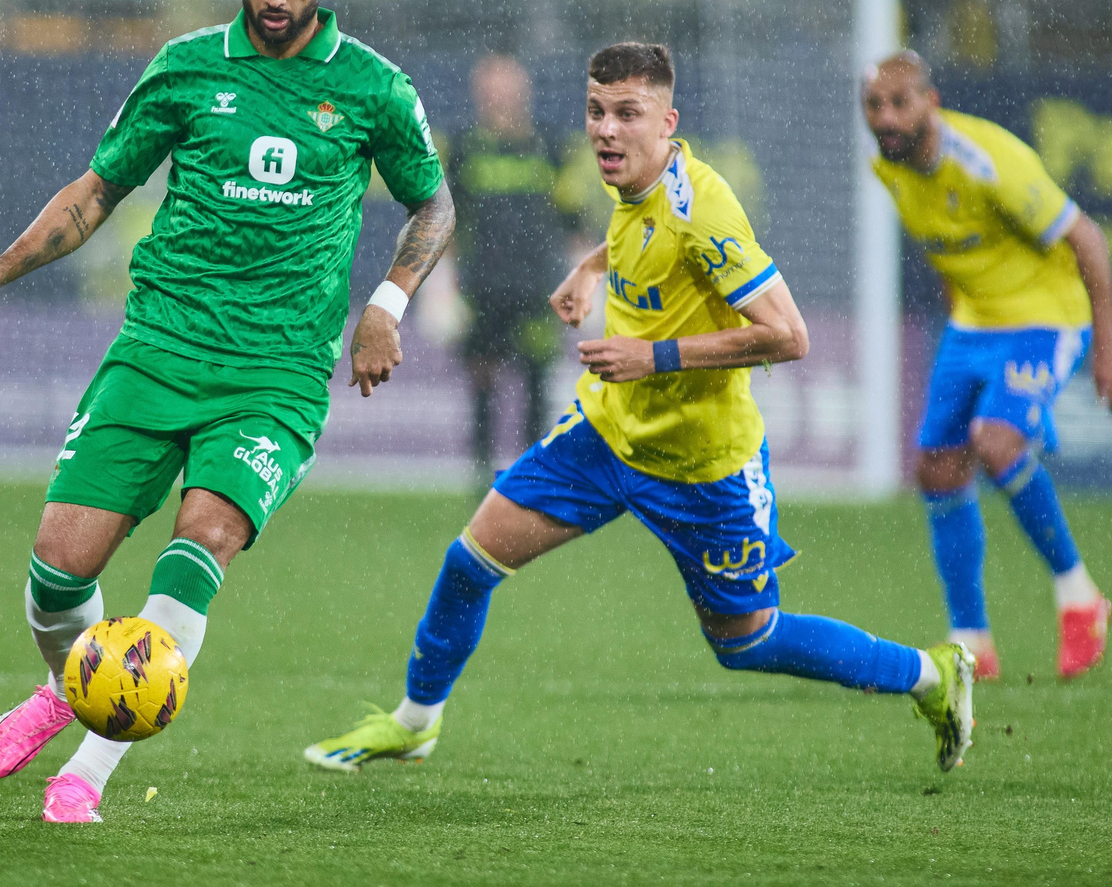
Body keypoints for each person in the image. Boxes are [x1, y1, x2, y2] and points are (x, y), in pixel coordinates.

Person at [0, 0, 455, 823]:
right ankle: (71, 684)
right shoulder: (185, 70)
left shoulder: (373, 88)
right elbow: (96, 192)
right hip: (158, 348)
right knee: (57, 571)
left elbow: (434, 204)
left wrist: (387, 305)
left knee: (201, 537)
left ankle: (89, 768)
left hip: (276, 373)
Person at [304, 43, 975, 777]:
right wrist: (591, 267)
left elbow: (789, 335)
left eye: (627, 114)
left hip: (704, 466)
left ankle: (930, 675)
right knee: (471, 561)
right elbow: (641, 233)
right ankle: (415, 723)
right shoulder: (636, 184)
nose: (606, 130)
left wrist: (652, 357)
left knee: (745, 641)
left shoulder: (705, 211)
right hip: (608, 432)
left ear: (668, 122)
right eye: (596, 112)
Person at [861, 50, 1112, 682]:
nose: (885, 117)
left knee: (995, 439)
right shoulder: (889, 167)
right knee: (936, 466)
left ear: (932, 102)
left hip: (1044, 317)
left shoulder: (988, 161)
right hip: (973, 325)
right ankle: (972, 641)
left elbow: (1086, 237)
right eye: (874, 105)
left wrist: (1108, 347)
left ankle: (1080, 597)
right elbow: (950, 253)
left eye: (899, 103)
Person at [451, 54, 570, 484]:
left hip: (537, 286)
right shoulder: (465, 147)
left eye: (506, 88)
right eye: (490, 89)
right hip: (482, 286)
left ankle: (533, 474)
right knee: (483, 379)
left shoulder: (549, 145)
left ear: (524, 93)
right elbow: (447, 219)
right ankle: (482, 475)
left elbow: (572, 216)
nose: (498, 98)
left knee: (537, 379)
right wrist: (441, 285)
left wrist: (582, 280)